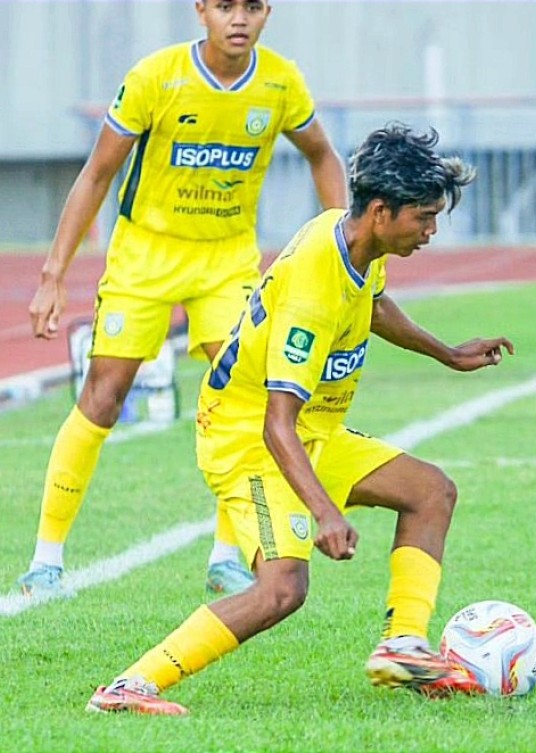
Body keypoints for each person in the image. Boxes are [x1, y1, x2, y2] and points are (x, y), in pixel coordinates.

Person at [87, 124, 513, 715]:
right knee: (283, 588)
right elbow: (275, 425)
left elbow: (372, 305)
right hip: (249, 439)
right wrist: (326, 513)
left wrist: (447, 353)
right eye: (424, 217)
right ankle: (130, 685)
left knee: (430, 491)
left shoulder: (355, 242)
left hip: (311, 431)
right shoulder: (314, 288)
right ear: (381, 212)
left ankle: (403, 647)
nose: (431, 231)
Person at [20, 0, 347, 598]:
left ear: (267, 13)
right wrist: (53, 273)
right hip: (145, 255)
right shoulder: (156, 77)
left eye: (252, 6)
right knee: (103, 397)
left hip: (227, 261)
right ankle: (46, 559)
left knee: (247, 397)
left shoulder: (280, 82)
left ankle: (227, 555)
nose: (238, 18)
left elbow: (322, 154)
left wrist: (338, 242)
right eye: (225, 6)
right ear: (201, 11)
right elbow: (97, 173)